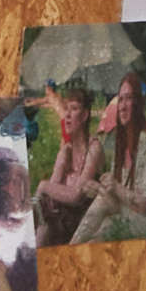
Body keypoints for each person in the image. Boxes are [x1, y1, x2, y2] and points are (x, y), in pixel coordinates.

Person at [71, 74, 146, 242]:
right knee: (98, 234)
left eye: (128, 99)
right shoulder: (121, 143)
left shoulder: (145, 141)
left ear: (138, 103)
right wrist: (98, 187)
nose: (122, 106)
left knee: (106, 223)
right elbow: (118, 193)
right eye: (120, 100)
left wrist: (114, 187)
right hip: (126, 212)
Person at [36, 86, 98, 244]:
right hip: (61, 220)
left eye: (74, 109)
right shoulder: (67, 150)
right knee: (43, 227)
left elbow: (77, 196)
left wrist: (44, 186)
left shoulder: (94, 148)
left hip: (82, 225)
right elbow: (52, 191)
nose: (67, 115)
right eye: (67, 109)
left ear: (84, 115)